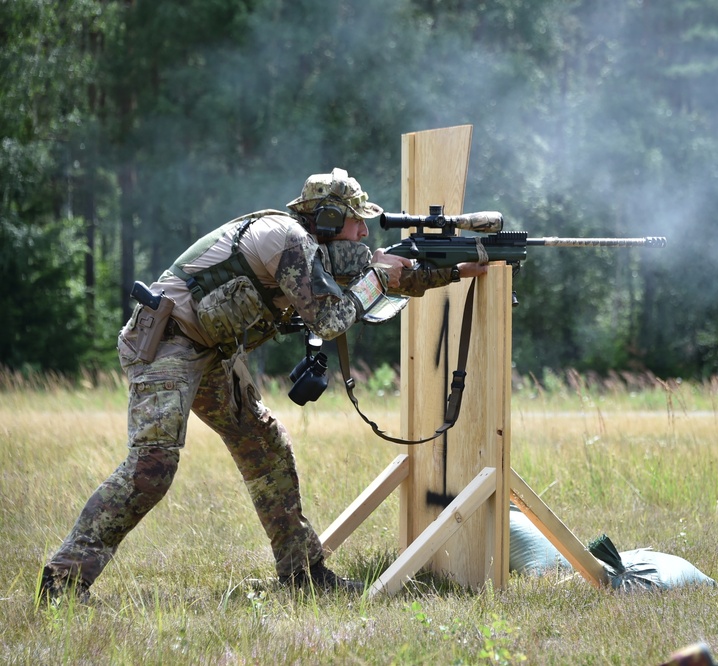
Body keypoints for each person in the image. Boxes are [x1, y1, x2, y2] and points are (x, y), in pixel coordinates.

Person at [37, 168, 487, 604]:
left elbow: (381, 274)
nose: (364, 234)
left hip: (212, 349)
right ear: (329, 219)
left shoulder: (314, 250)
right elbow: (333, 318)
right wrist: (377, 279)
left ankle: (303, 573)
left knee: (265, 446)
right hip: (165, 343)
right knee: (151, 466)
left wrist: (453, 269)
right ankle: (63, 580)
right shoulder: (289, 241)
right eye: (356, 222)